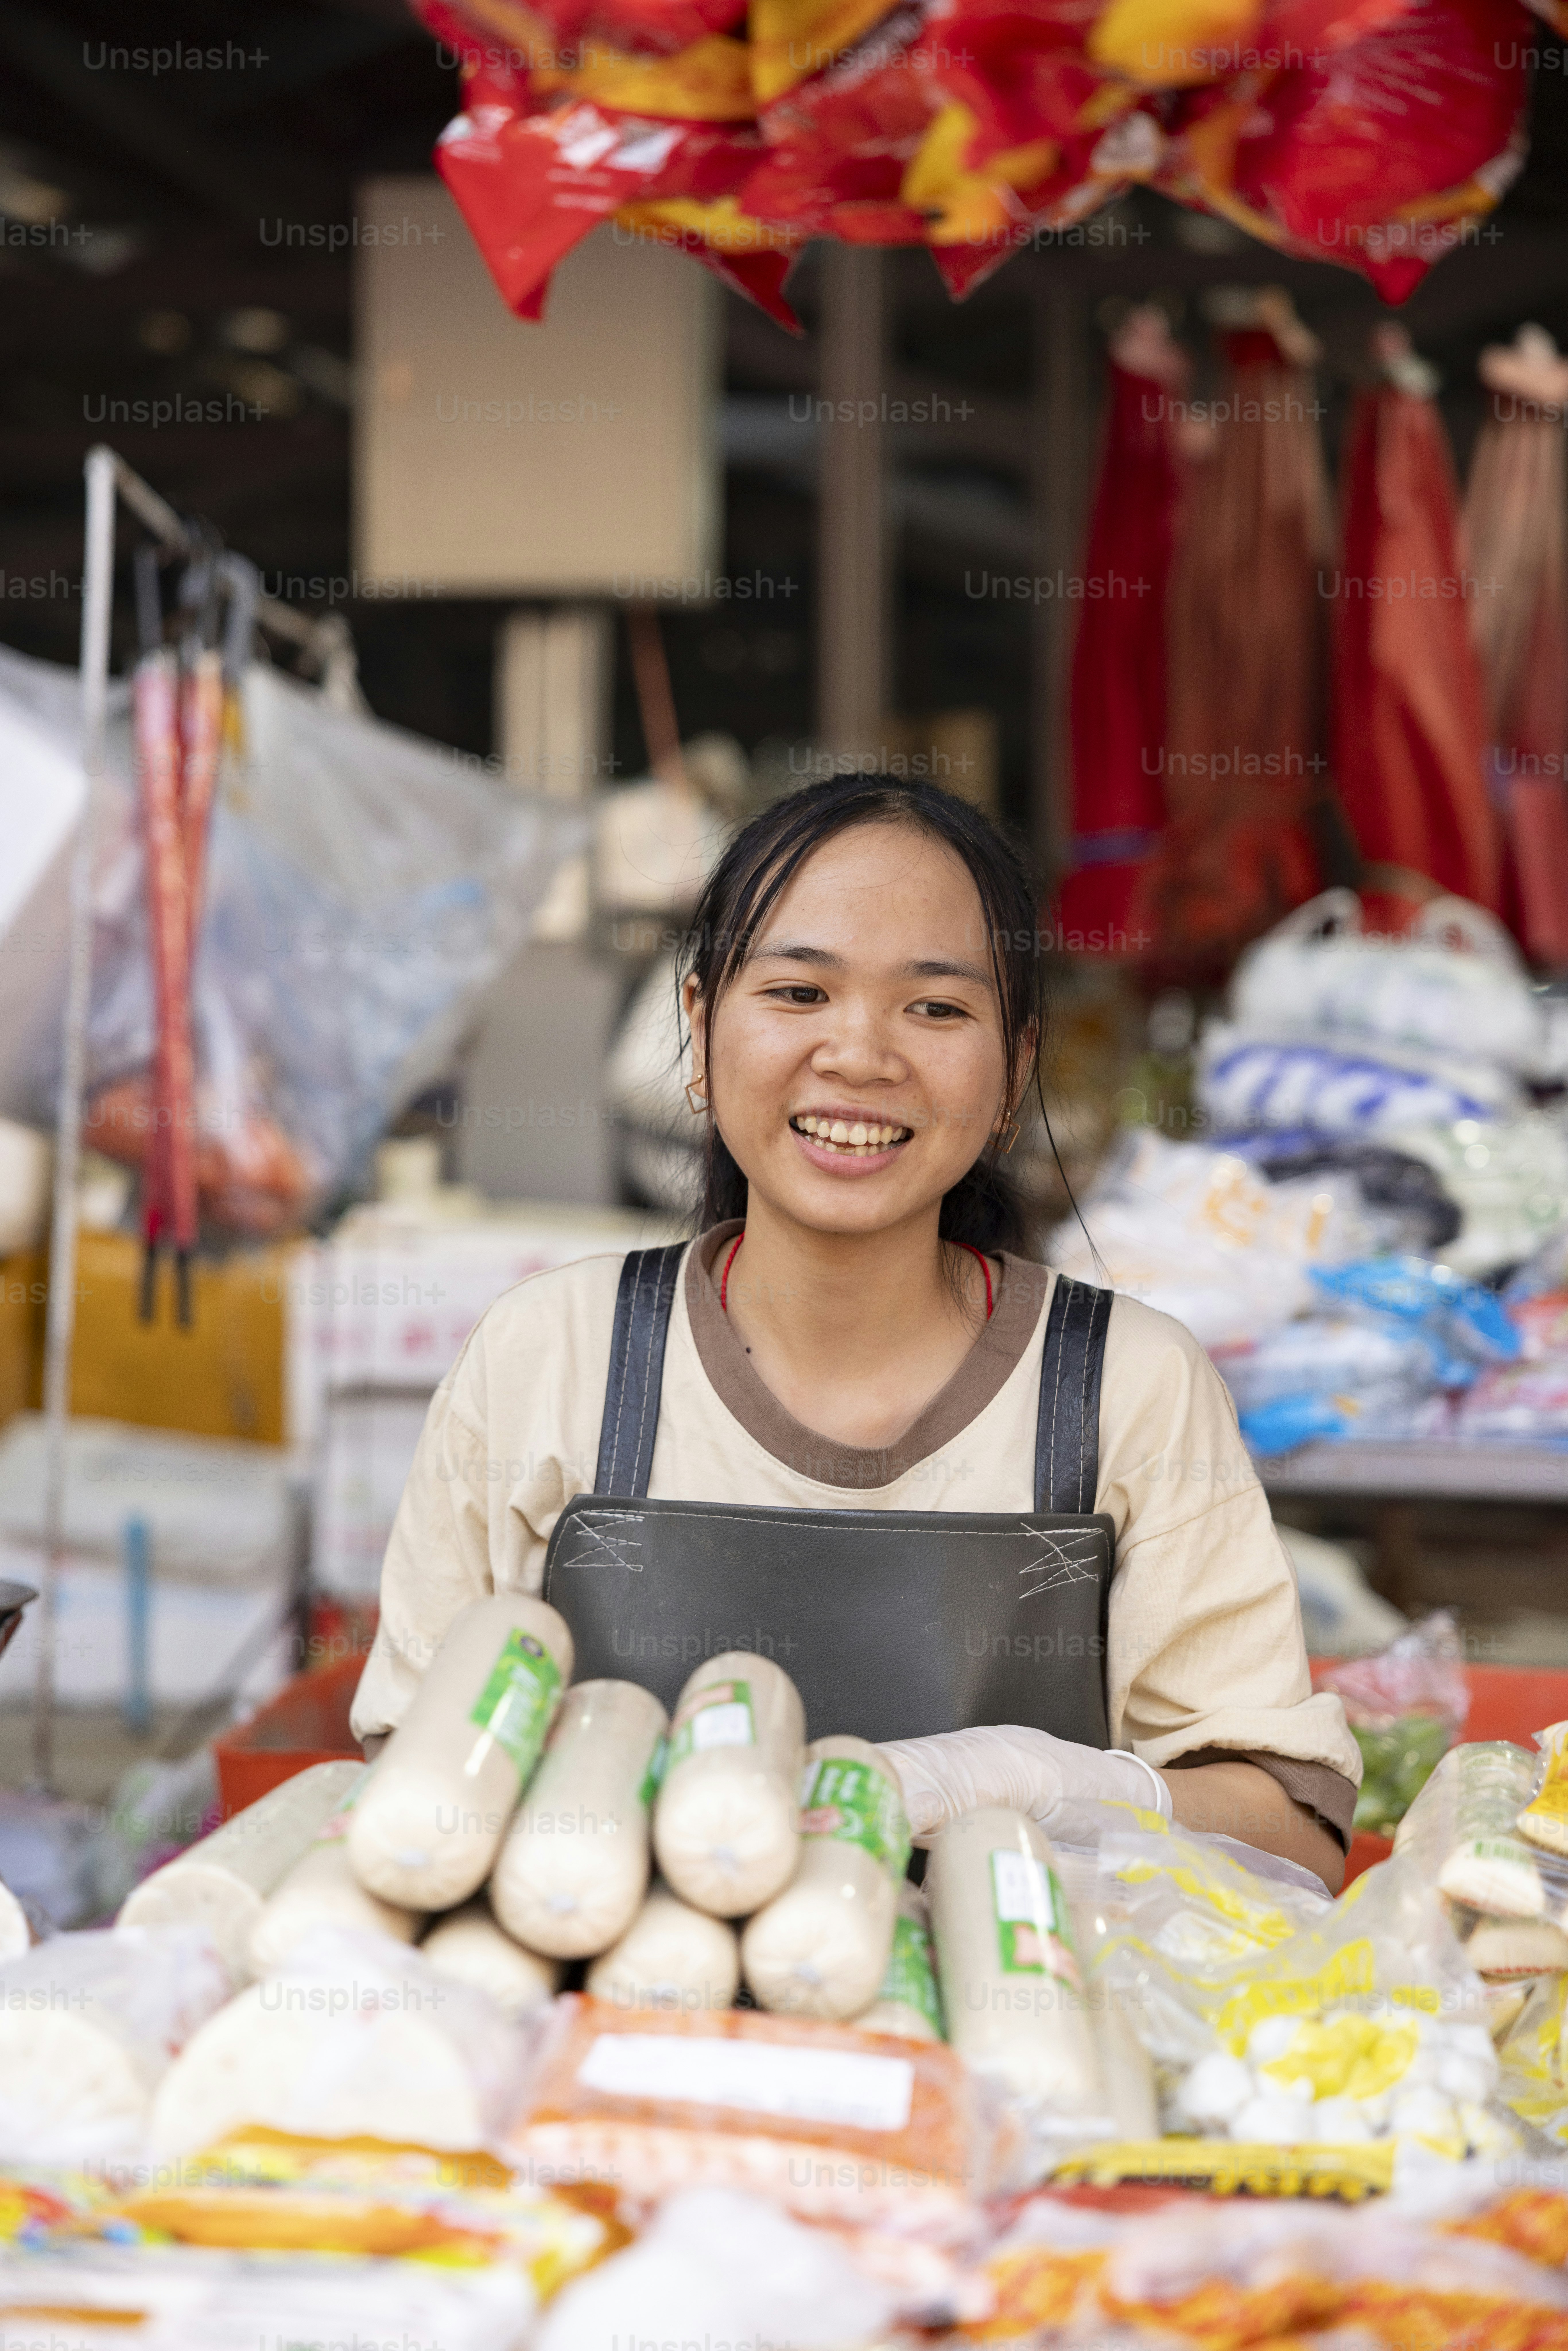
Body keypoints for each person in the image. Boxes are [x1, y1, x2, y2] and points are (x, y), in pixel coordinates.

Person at [351, 775, 1357, 1891]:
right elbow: (412, 1789)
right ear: (700, 1027)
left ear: (1014, 1071)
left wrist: (1044, 1782)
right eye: (797, 991)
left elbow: (1294, 1829)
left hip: (1022, 2046)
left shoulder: (1127, 1384)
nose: (860, 1052)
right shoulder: (551, 1354)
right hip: (615, 2048)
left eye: (935, 1007)